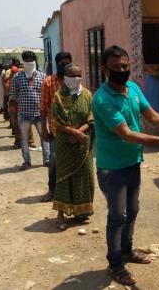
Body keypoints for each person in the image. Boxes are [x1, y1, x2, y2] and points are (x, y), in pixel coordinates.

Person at [92, 45, 159, 285]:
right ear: (105, 69)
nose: (122, 70)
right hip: (112, 168)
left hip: (132, 163)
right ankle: (115, 264)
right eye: (116, 67)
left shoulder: (133, 88)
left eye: (125, 66)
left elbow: (151, 115)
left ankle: (127, 251)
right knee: (118, 216)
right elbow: (127, 134)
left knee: (133, 210)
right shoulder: (102, 99)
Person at [51, 63, 95, 230]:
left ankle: (81, 212)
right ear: (65, 78)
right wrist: (72, 132)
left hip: (83, 143)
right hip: (65, 143)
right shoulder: (58, 97)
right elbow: (56, 120)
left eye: (79, 76)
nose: (76, 79)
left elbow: (91, 119)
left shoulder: (87, 95)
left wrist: (79, 133)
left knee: (85, 176)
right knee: (63, 177)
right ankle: (60, 214)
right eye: (72, 76)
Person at [40, 51, 73, 202]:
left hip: (73, 130)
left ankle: (70, 192)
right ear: (57, 64)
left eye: (68, 63)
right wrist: (44, 130)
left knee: (72, 161)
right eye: (62, 63)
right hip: (55, 130)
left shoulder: (74, 81)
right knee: (53, 162)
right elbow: (43, 107)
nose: (65, 66)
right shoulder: (48, 82)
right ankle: (51, 190)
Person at [9, 51, 49, 170]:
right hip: (24, 114)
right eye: (26, 60)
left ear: (35, 61)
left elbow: (47, 96)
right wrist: (14, 117)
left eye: (31, 60)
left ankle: (46, 159)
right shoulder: (17, 77)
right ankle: (27, 161)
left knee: (44, 137)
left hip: (40, 114)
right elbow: (12, 97)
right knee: (24, 139)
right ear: (23, 62)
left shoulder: (42, 76)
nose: (29, 63)